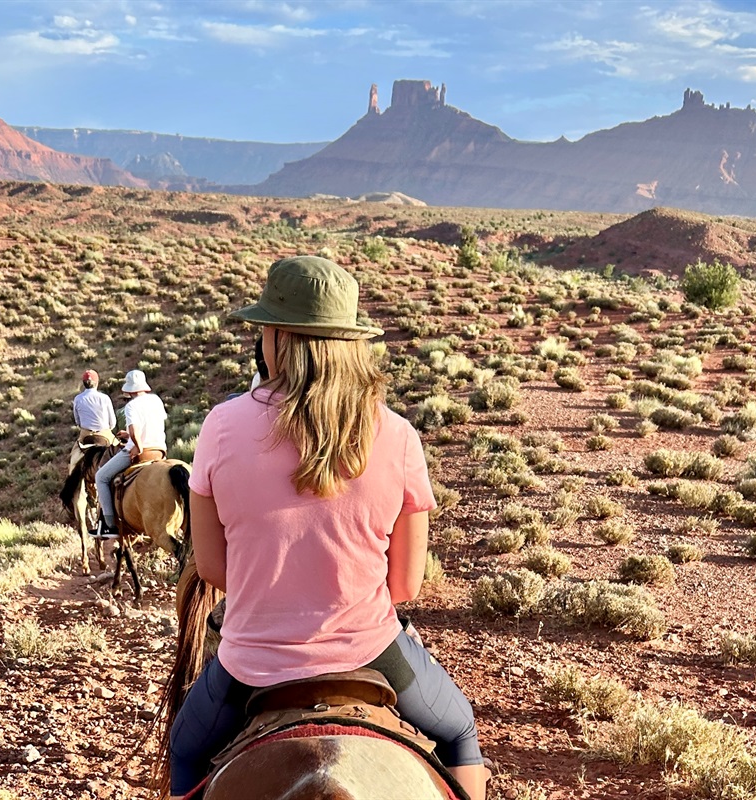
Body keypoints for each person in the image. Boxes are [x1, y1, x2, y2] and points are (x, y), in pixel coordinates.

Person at [167, 256, 488, 800]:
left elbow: (215, 568)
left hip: (251, 663)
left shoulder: (221, 426)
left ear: (276, 338)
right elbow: (406, 585)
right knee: (459, 734)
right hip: (370, 650)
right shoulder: (399, 434)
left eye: (264, 328)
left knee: (185, 750)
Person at [92, 369, 168, 540]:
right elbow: (154, 423)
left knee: (101, 476)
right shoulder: (156, 400)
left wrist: (137, 446)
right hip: (159, 450)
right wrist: (129, 435)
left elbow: (135, 429)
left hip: (141, 452)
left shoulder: (131, 406)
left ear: (129, 389)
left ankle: (109, 525)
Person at [70, 369, 116, 472]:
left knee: (73, 457)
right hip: (104, 434)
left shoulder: (78, 399)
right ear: (97, 382)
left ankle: (74, 483)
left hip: (85, 434)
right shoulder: (104, 398)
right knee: (120, 452)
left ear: (83, 383)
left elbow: (77, 421)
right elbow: (112, 423)